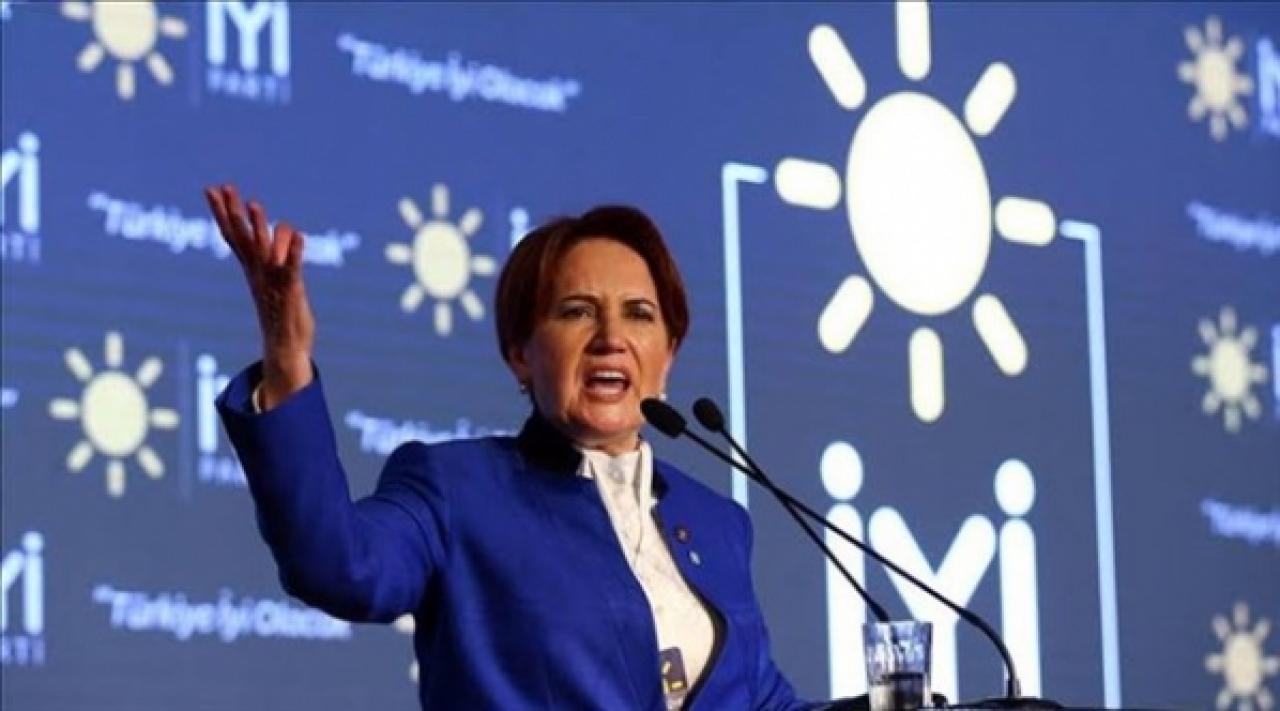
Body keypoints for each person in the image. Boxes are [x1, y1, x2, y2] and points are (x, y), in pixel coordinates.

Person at [203, 184, 823, 709]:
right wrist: (286, 362)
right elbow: (337, 567)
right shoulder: (455, 489)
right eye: (577, 312)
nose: (611, 336)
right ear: (521, 354)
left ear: (668, 354)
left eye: (639, 313)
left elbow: (763, 700)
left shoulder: (717, 523)